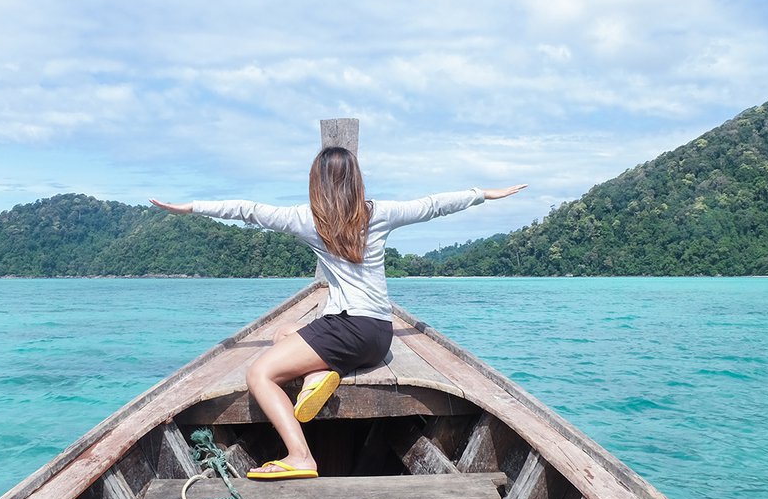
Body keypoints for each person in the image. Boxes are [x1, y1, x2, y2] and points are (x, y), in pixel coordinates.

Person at [151, 146, 524, 480]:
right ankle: (320, 373)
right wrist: (483, 194)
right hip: (379, 336)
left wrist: (192, 207)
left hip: (345, 329)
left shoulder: (308, 219)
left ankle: (300, 456)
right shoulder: (381, 213)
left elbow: (247, 210)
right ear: (356, 179)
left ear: (316, 182)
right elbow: (433, 204)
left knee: (259, 373)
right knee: (285, 333)